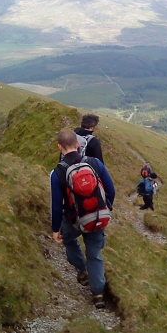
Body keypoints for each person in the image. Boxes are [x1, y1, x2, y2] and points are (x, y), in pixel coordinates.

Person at [50, 129, 115, 309]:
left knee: (68, 239)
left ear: (59, 147)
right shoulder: (95, 163)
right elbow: (111, 190)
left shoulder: (57, 173)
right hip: (96, 217)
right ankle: (98, 294)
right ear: (78, 145)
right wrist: (105, 207)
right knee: (94, 254)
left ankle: (81, 269)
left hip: (73, 220)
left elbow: (56, 205)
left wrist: (56, 230)